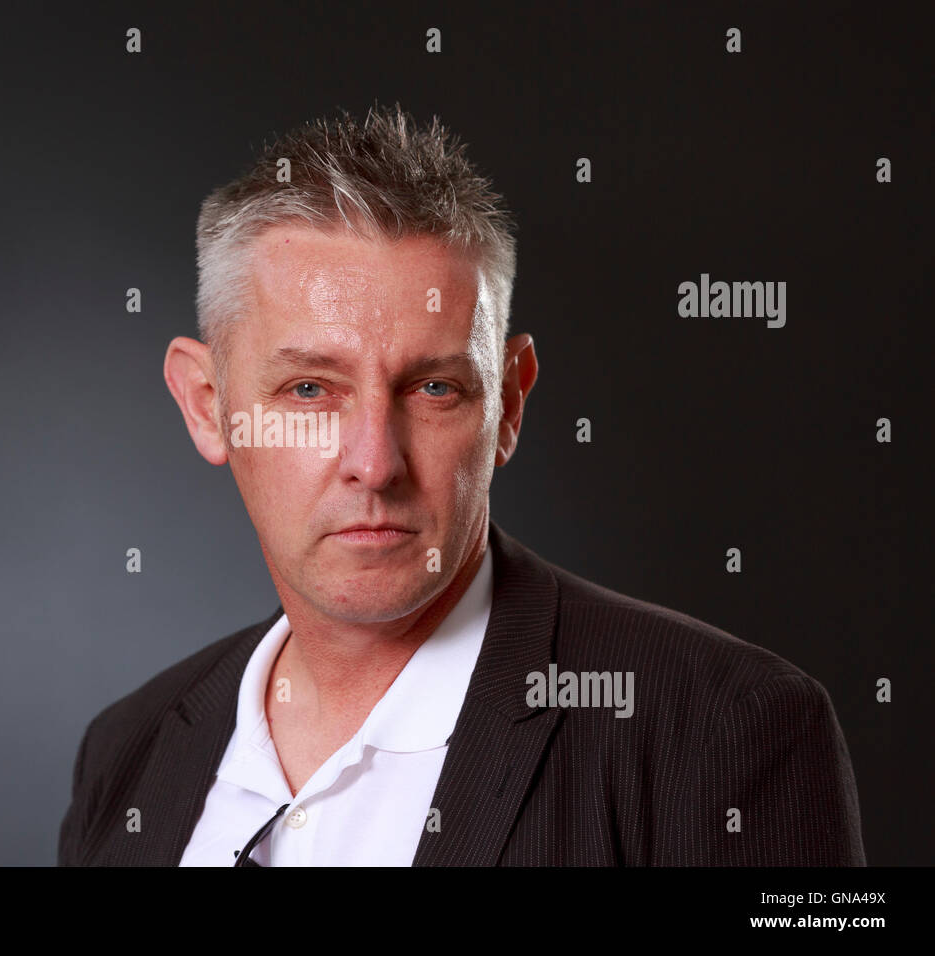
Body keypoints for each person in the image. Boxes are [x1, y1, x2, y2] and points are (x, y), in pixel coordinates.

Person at [57, 103, 865, 866]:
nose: (374, 463)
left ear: (509, 401)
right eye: (309, 390)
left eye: (434, 389)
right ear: (209, 407)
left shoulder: (729, 729)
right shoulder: (128, 751)